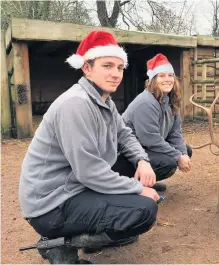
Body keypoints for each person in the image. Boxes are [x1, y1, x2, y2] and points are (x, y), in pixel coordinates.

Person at [18, 30, 160, 264]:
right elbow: (89, 171)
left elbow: (124, 134)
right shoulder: (76, 105)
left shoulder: (104, 100)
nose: (115, 74)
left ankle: (95, 235)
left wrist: (142, 160)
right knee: (143, 210)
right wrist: (136, 188)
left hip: (73, 186)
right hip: (50, 204)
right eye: (107, 66)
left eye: (119, 67)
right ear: (87, 68)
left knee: (131, 174)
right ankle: (59, 246)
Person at [117, 53, 192, 192]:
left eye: (170, 75)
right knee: (168, 162)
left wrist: (183, 154)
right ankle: (133, 185)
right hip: (127, 154)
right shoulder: (145, 102)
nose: (168, 79)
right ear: (153, 80)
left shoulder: (170, 100)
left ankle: (147, 181)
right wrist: (177, 156)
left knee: (186, 150)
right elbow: (150, 139)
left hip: (146, 147)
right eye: (161, 76)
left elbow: (175, 133)